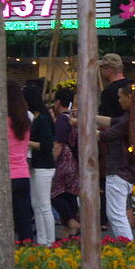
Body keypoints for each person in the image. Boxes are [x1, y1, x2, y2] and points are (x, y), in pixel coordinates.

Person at [96, 81, 135, 240]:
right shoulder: (132, 117)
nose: (119, 100)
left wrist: (84, 127)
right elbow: (113, 122)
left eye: (121, 97)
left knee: (115, 214)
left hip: (119, 170)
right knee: (117, 213)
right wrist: (88, 117)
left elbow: (105, 135)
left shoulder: (129, 120)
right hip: (127, 170)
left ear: (129, 96)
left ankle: (128, 248)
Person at [23, 84, 56, 246]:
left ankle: (49, 241)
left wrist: (26, 142)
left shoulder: (42, 119)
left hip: (44, 166)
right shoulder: (38, 117)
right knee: (37, 204)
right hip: (37, 165)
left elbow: (47, 145)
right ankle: (42, 240)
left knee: (43, 204)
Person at [98, 53, 127, 230]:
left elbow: (106, 123)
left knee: (109, 186)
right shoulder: (132, 86)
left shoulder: (109, 92)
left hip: (113, 143)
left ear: (109, 70)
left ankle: (124, 238)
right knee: (126, 194)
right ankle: (127, 228)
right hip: (131, 143)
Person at [6, 81, 33, 242]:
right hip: (23, 173)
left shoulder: (1, 120)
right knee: (24, 222)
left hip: (5, 176)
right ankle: (28, 257)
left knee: (2, 220)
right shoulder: (26, 119)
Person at [51, 87, 80, 238]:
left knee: (54, 193)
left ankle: (71, 222)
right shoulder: (74, 116)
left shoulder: (62, 119)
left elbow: (59, 143)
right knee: (69, 195)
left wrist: (52, 160)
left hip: (64, 160)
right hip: (75, 161)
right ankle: (69, 231)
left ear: (58, 102)